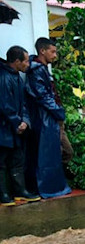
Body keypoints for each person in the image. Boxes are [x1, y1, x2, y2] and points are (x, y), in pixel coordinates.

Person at [24, 37, 72, 198]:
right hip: (46, 119)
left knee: (61, 152)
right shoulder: (37, 70)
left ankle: (55, 185)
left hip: (50, 118)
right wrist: (58, 112)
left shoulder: (41, 69)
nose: (55, 55)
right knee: (50, 154)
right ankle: (48, 187)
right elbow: (43, 96)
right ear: (42, 51)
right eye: (52, 51)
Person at [0, 46, 41, 206]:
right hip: (4, 128)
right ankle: (3, 194)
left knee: (17, 160)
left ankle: (20, 191)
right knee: (1, 162)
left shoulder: (17, 77)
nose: (28, 64)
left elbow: (24, 103)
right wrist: (18, 122)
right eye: (25, 61)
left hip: (16, 128)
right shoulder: (4, 77)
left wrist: (25, 121)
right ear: (17, 61)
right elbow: (4, 105)